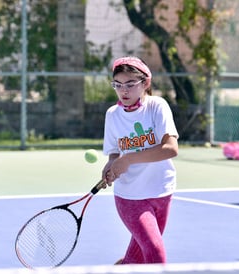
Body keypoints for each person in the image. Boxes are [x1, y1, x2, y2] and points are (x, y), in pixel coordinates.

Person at [101, 56, 179, 264]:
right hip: (130, 197)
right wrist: (112, 164)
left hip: (162, 191)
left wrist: (128, 160)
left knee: (135, 261)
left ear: (145, 83)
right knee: (155, 253)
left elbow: (170, 149)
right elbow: (115, 152)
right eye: (117, 85)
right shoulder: (112, 115)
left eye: (130, 84)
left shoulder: (157, 107)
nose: (123, 91)